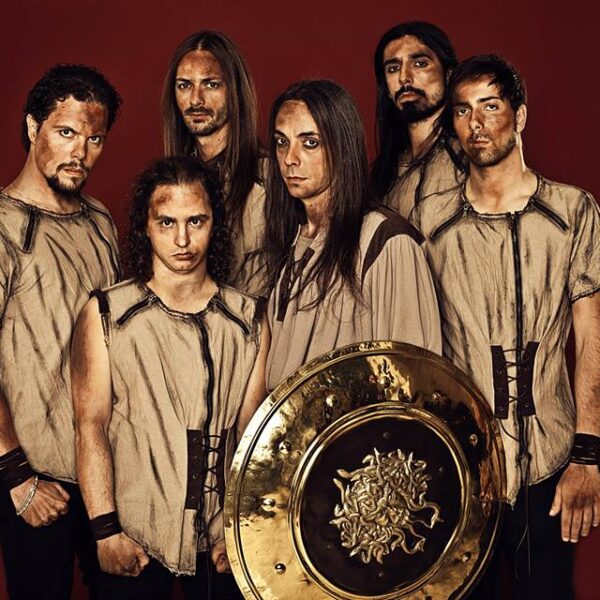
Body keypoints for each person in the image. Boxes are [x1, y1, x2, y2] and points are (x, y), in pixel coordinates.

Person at [410, 55, 600, 599]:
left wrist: (588, 456)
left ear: (519, 116)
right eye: (464, 110)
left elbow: (591, 333)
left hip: (552, 464)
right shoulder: (431, 224)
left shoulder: (572, 211)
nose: (476, 123)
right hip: (465, 469)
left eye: (490, 107)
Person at [71, 156, 268, 599]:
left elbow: (252, 433)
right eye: (167, 222)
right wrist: (105, 531)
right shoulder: (107, 313)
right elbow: (90, 424)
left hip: (220, 545)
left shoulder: (248, 319)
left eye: (196, 221)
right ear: (145, 226)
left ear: (215, 223)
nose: (182, 239)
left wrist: (239, 530)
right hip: (136, 537)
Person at [0, 64, 121, 599]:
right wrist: (16, 476)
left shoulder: (99, 220)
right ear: (32, 128)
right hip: (33, 479)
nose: (81, 152)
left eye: (94, 139)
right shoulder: (3, 226)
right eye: (66, 132)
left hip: (105, 477)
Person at [263, 79, 441, 391]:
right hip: (293, 435)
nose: (290, 158)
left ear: (341, 146)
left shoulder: (387, 242)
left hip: (358, 438)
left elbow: (411, 383)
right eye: (281, 142)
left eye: (310, 143)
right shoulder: (292, 242)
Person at [162, 30, 267, 296]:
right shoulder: (169, 183)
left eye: (210, 84)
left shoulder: (272, 176)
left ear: (234, 89)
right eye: (184, 85)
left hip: (260, 330)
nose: (196, 99)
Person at [371, 21, 465, 218]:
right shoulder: (381, 176)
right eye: (393, 68)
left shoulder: (471, 158)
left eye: (420, 63)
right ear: (386, 89)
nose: (404, 77)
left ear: (448, 74)